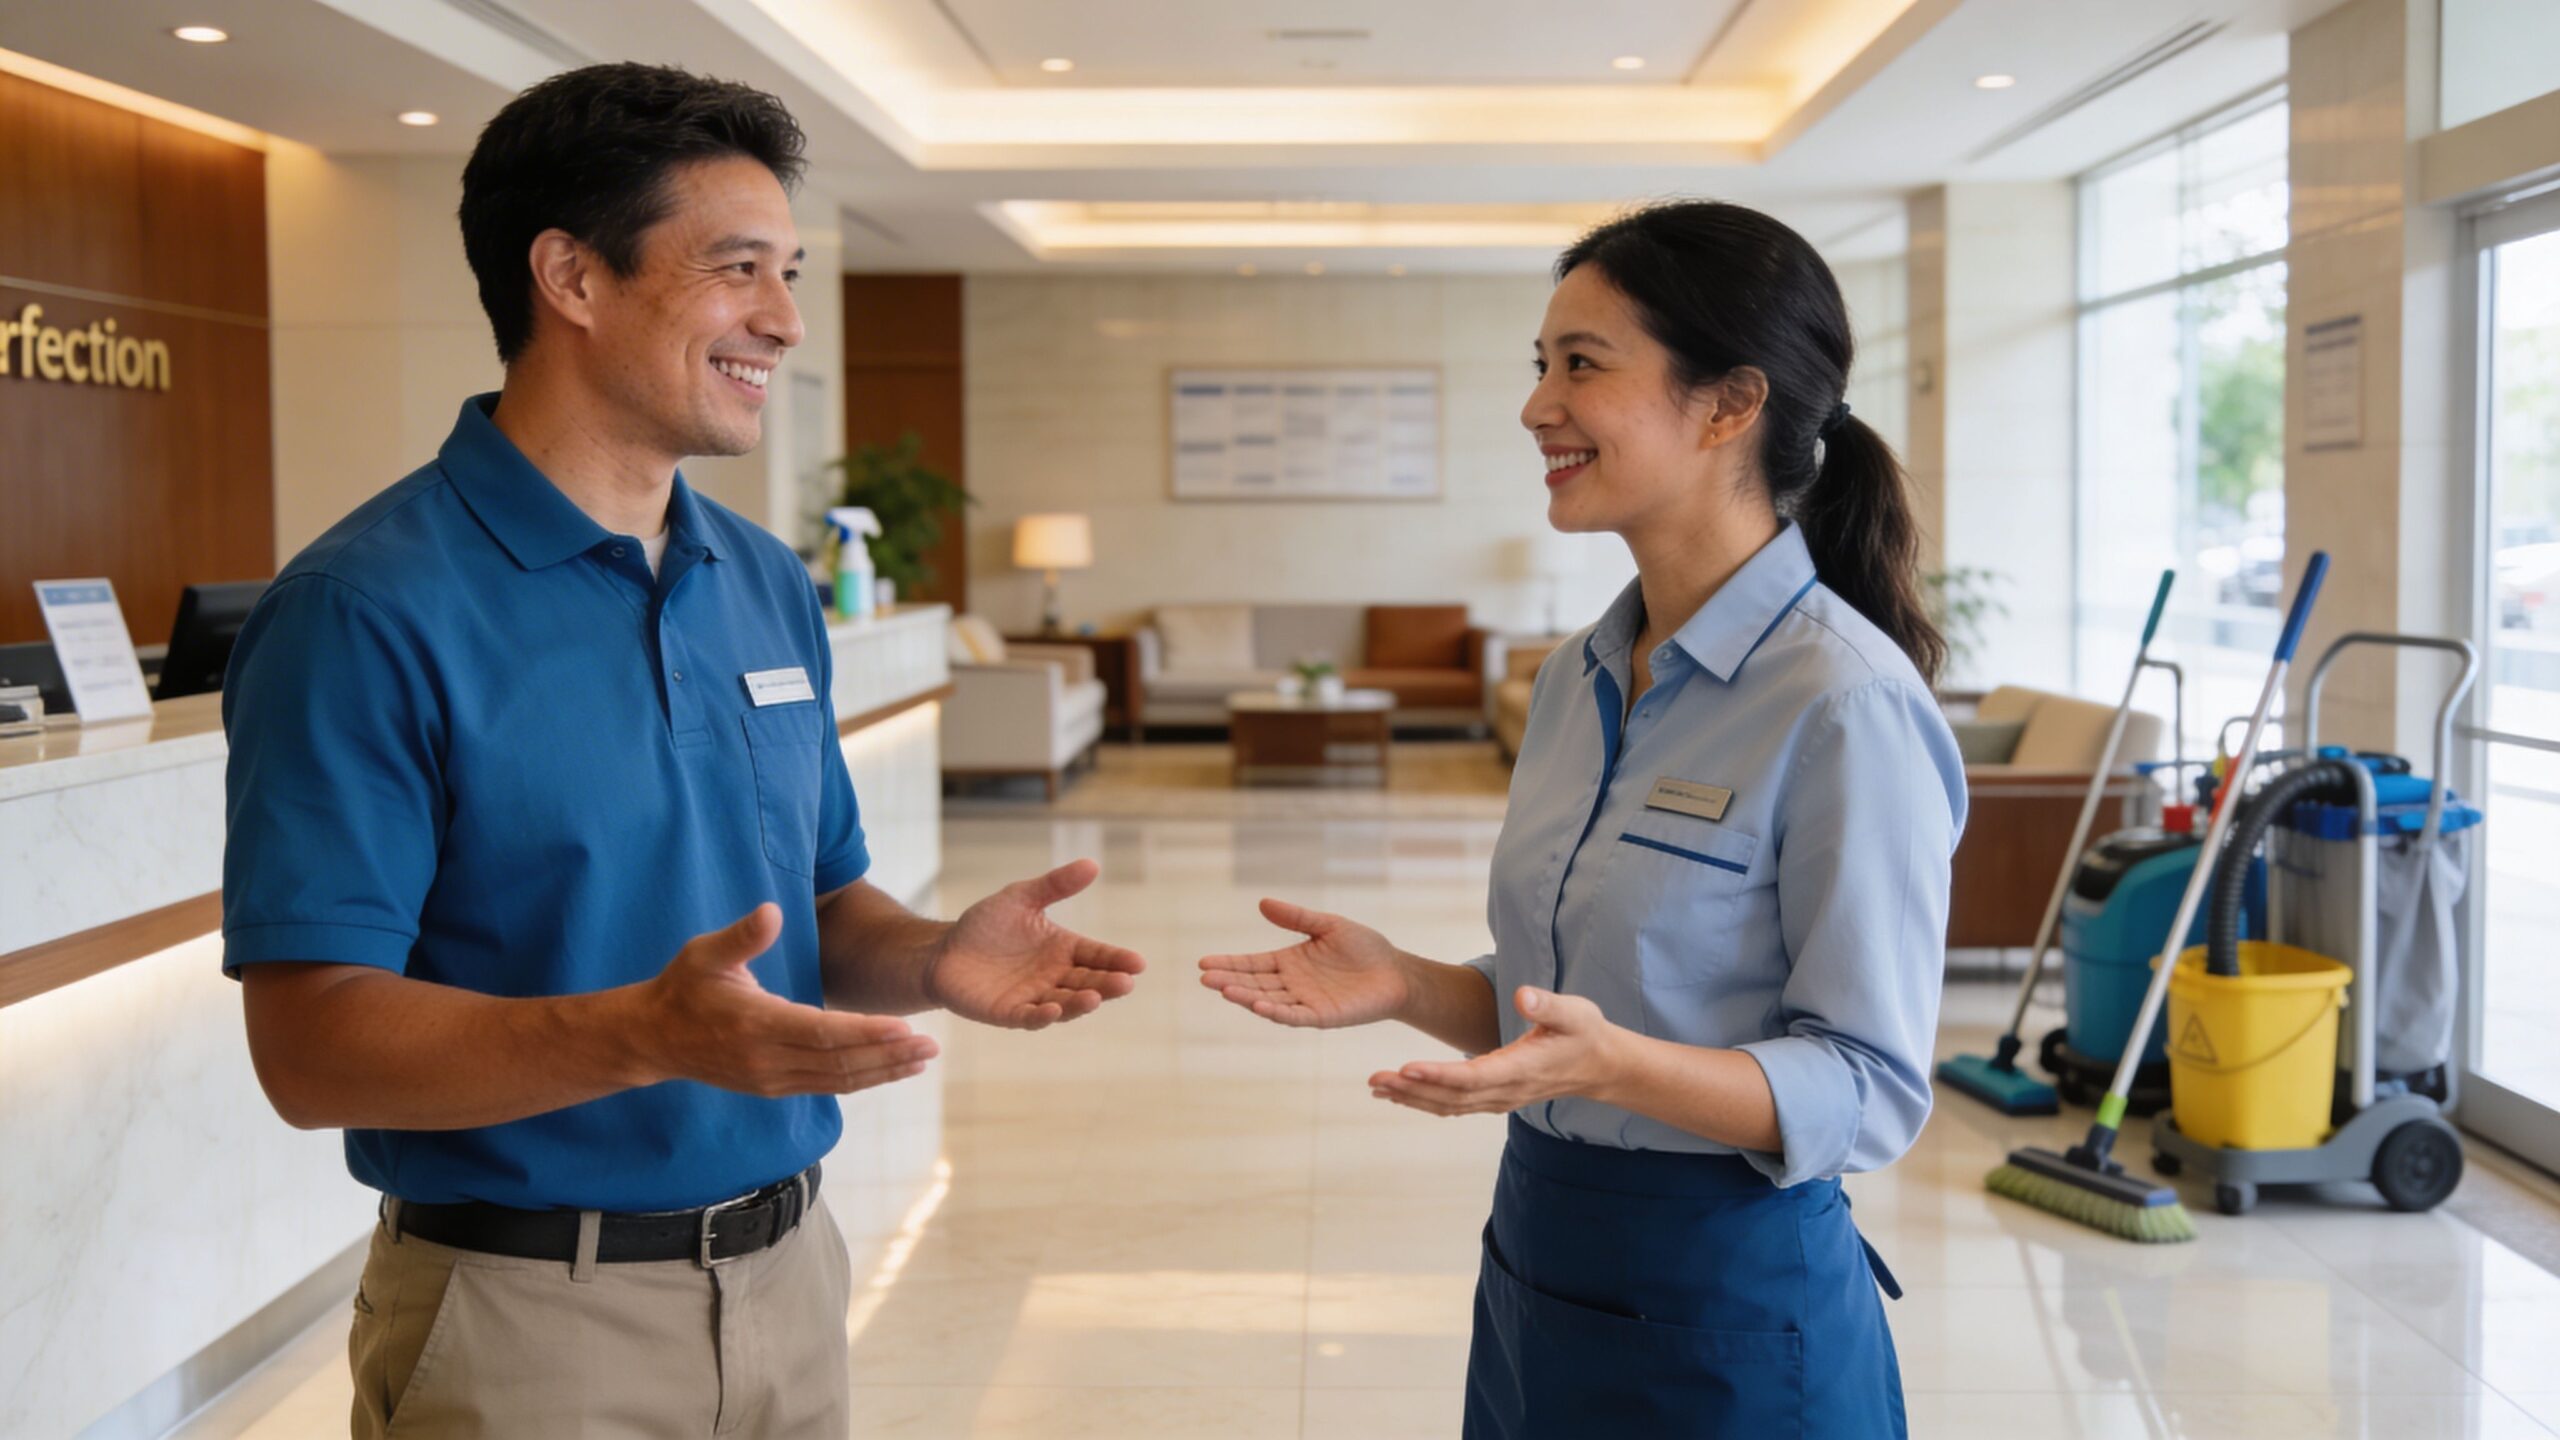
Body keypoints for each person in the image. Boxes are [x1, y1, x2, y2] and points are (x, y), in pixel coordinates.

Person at [222, 64, 1144, 1438]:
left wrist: (933, 956)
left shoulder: (763, 581)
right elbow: (312, 1050)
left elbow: (819, 905)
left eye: (789, 272)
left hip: (793, 1279)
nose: (783, 318)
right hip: (531, 1321)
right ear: (571, 277)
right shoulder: (363, 609)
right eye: (738, 269)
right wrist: (643, 1035)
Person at [1200, 201, 1965, 1438]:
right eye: (1541, 364)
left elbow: (1868, 1089)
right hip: (1539, 1261)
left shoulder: (1842, 702)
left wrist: (1621, 1068)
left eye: (1581, 365)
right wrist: (1406, 983)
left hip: (1729, 1304)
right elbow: (1583, 1002)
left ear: (1729, 404)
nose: (1536, 406)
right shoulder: (1579, 676)